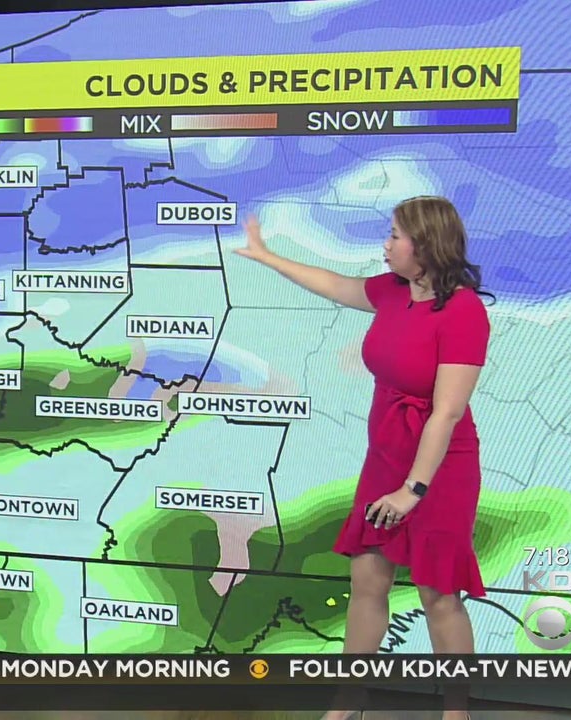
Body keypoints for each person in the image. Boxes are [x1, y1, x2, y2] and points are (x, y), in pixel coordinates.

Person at [234, 196, 491, 720]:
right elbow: (335, 285)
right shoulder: (394, 292)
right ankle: (349, 700)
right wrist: (267, 256)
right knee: (367, 581)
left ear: (426, 244)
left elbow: (446, 413)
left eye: (395, 235)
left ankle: (457, 711)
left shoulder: (464, 311)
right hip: (386, 459)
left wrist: (412, 491)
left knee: (438, 593)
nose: (386, 244)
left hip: (438, 470)